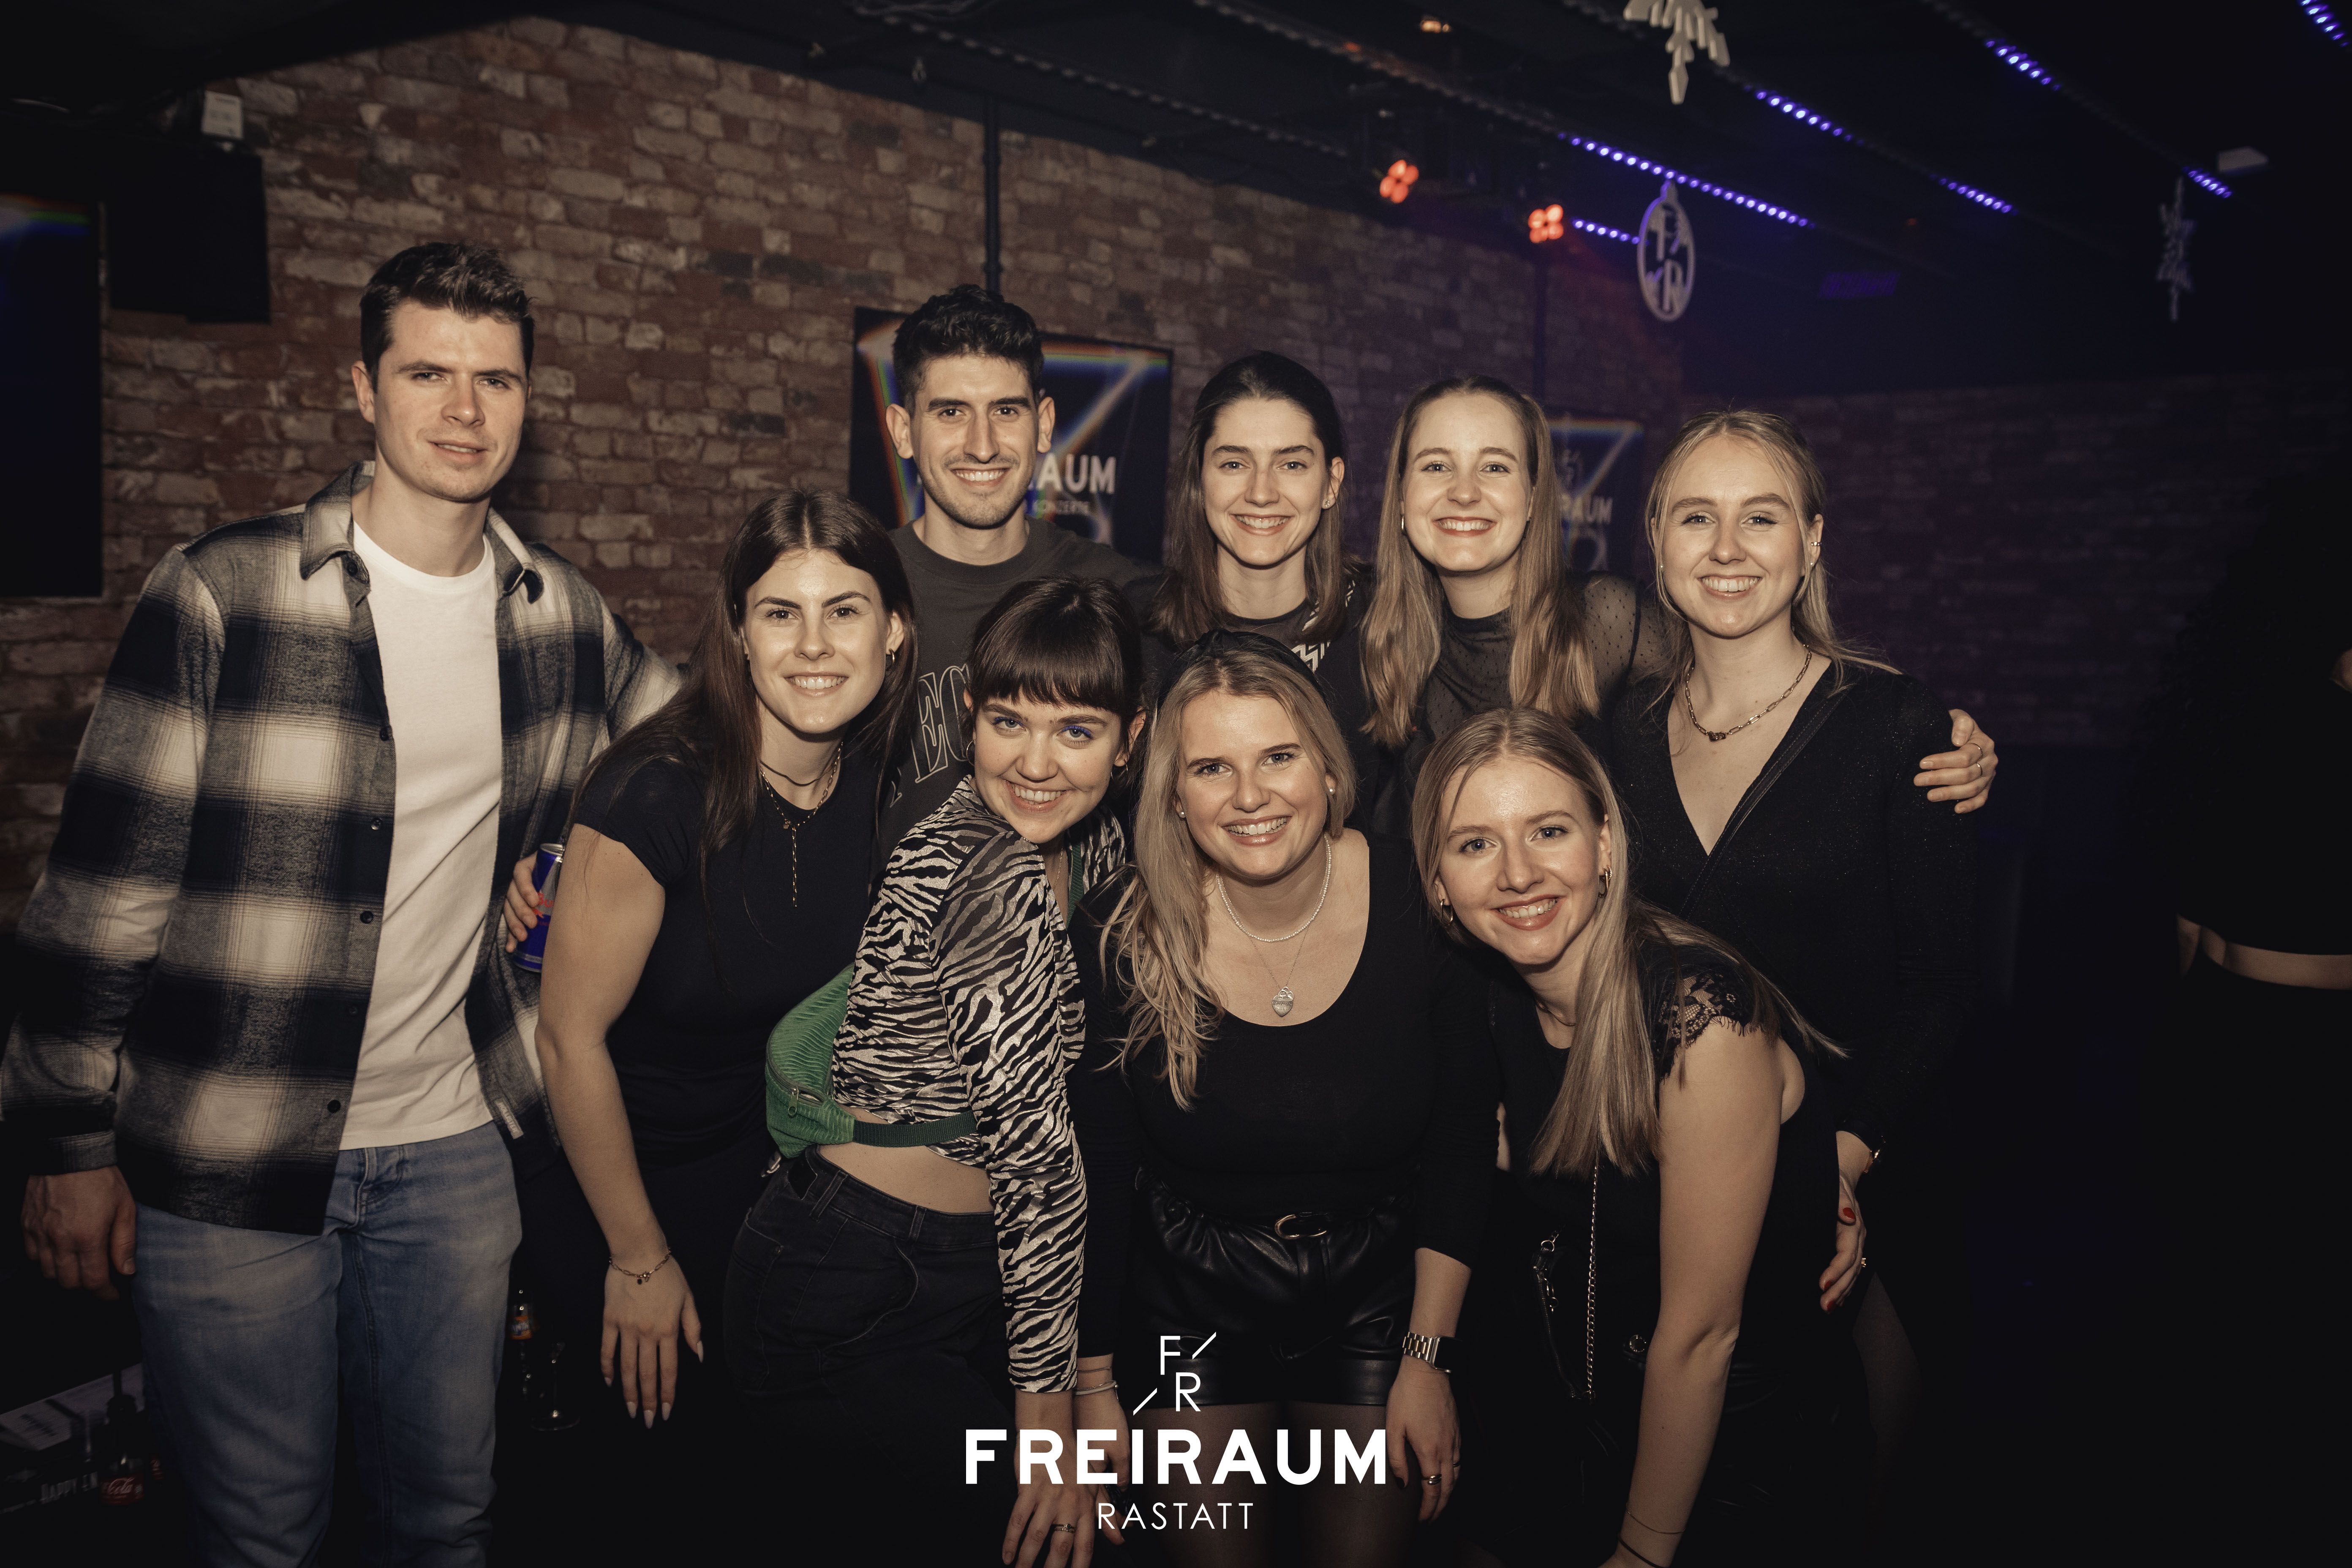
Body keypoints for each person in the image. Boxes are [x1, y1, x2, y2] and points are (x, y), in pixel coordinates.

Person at [5, 242, 678, 1563]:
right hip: (230, 1158)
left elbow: (696, 753)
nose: (465, 410)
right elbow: (99, 898)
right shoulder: (225, 592)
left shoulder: (561, 616)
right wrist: (69, 1146)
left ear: (530, 399)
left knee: (448, 1522)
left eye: (496, 380)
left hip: (458, 1147)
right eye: (428, 374)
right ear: (362, 388)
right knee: (262, 1536)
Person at [495, 491, 913, 1547]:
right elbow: (568, 1040)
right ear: (736, 631)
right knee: (659, 1499)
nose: (813, 645)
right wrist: (637, 1257)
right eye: (780, 613)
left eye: (845, 611)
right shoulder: (657, 793)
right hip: (620, 1178)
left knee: (766, 1490)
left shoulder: (878, 790)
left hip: (759, 1176)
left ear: (895, 631)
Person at [724, 575, 1147, 1568]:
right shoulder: (989, 870)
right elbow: (1037, 1163)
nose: (1035, 762)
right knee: (1053, 1535)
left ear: (1129, 739)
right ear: (969, 713)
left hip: (930, 1269)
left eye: (1076, 731)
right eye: (1009, 721)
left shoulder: (1084, 847)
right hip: (856, 1278)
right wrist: (1051, 1419)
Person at [1603, 409, 1978, 1527]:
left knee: (1842, 1493)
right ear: (1657, 541)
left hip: (1863, 1161)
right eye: (1696, 518)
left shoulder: (1898, 723)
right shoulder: (1622, 729)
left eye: (1761, 518)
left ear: (1811, 541)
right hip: (1677, 1165)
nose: (1728, 548)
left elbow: (1945, 986)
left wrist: (1842, 1161)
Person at [1067, 633, 1492, 1568]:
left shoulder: (1423, 900)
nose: (1249, 796)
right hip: (1189, 1297)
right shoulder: (1119, 930)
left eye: (1278, 757)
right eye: (1212, 768)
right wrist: (1090, 1384)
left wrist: (1428, 1357)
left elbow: (1461, 1143)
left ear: (1329, 769)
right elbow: (1098, 1173)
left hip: (1379, 1297)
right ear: (1173, 793)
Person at [1416, 707, 1859, 1567]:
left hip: (1738, 1454)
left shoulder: (1700, 1021)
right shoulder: (1493, 997)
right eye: (1474, 844)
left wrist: (1641, 1554)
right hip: (1583, 1419)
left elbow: (1701, 1337)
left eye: (1548, 831)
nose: (1517, 873)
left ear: (1606, 844)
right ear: (1438, 883)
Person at [1354, 374, 2001, 831]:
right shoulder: (1376, 634)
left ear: (1533, 497)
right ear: (1401, 498)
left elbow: (1762, 673)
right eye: (1436, 466)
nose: (1465, 492)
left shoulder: (1605, 620)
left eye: (1495, 466)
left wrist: (1924, 732)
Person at [878, 285, 1156, 849]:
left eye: (1006, 411)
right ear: (903, 431)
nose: (982, 446)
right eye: (951, 412)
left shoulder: (1122, 595)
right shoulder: (855, 593)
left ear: (1045, 424)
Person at [1142, 352, 1378, 807]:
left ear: (1331, 483)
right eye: (1234, 464)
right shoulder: (1137, 629)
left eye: (1292, 465)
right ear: (1200, 478)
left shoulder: (1385, 621)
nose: (1262, 493)